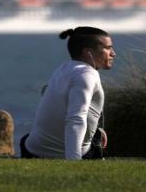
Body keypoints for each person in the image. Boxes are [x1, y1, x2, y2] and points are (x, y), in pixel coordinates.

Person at [21, 26, 115, 160]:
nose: (113, 53)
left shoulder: (64, 69)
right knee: (93, 141)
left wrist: (96, 129)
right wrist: (74, 161)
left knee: (27, 138)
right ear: (88, 52)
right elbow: (76, 119)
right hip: (66, 154)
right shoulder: (87, 75)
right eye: (108, 48)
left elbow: (48, 94)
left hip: (31, 149)